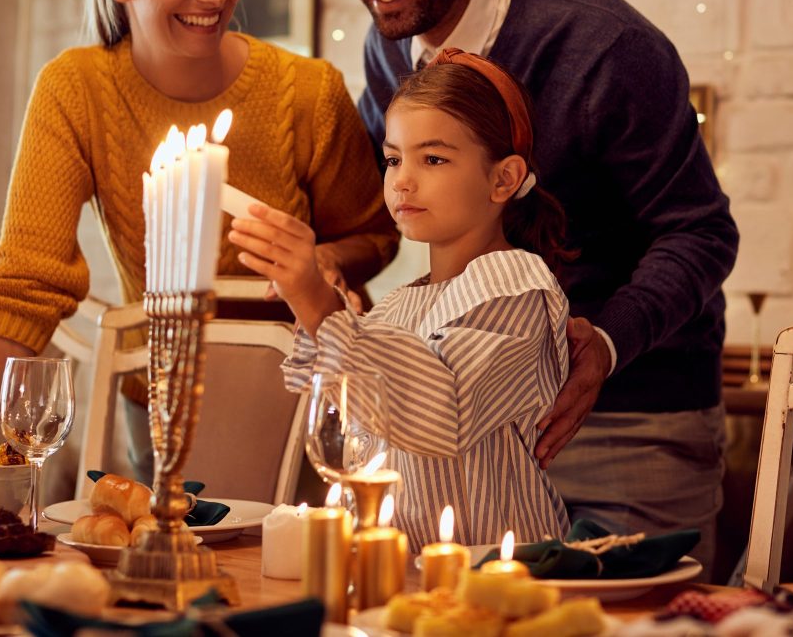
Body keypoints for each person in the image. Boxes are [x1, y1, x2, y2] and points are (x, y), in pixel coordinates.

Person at [333, 0, 740, 572]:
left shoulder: (605, 45)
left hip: (628, 425)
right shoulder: (388, 53)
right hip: (472, 432)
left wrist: (606, 346)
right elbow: (386, 208)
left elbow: (700, 232)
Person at [0, 0, 399, 483]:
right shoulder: (75, 90)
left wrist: (324, 261)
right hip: (155, 407)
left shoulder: (307, 92)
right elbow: (27, 283)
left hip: (307, 407)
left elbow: (377, 234)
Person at [228, 49, 571, 547]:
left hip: (494, 577)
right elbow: (335, 406)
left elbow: (442, 413)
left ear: (504, 178)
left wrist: (321, 305)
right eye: (393, 159)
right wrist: (316, 308)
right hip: (395, 570)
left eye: (433, 159)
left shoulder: (518, 286)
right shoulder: (395, 306)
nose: (402, 180)